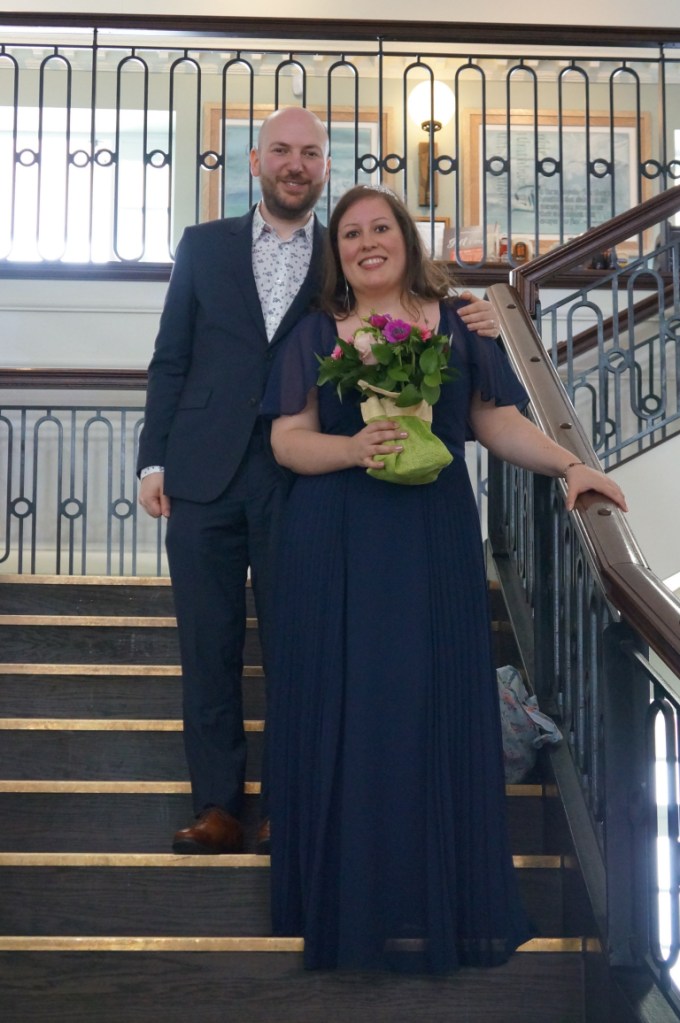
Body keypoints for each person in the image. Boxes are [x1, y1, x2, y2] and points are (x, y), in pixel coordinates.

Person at [261, 184, 627, 972]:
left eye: (380, 228)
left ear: (406, 237)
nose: (367, 242)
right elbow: (288, 440)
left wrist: (571, 464)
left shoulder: (462, 322)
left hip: (432, 536)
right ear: (337, 254)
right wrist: (354, 448)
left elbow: (493, 420)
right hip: (336, 543)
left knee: (428, 699)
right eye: (351, 233)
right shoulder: (315, 331)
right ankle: (350, 897)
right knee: (351, 707)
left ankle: (434, 891)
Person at [137, 105, 506, 857]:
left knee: (300, 647)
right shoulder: (202, 246)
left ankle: (287, 804)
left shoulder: (341, 255)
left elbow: (403, 309)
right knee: (206, 645)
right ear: (255, 161)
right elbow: (171, 358)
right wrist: (154, 459)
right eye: (281, 150)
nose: (294, 164)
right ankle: (218, 806)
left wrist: (480, 317)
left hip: (297, 478)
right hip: (203, 472)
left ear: (324, 167)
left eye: (309, 153)